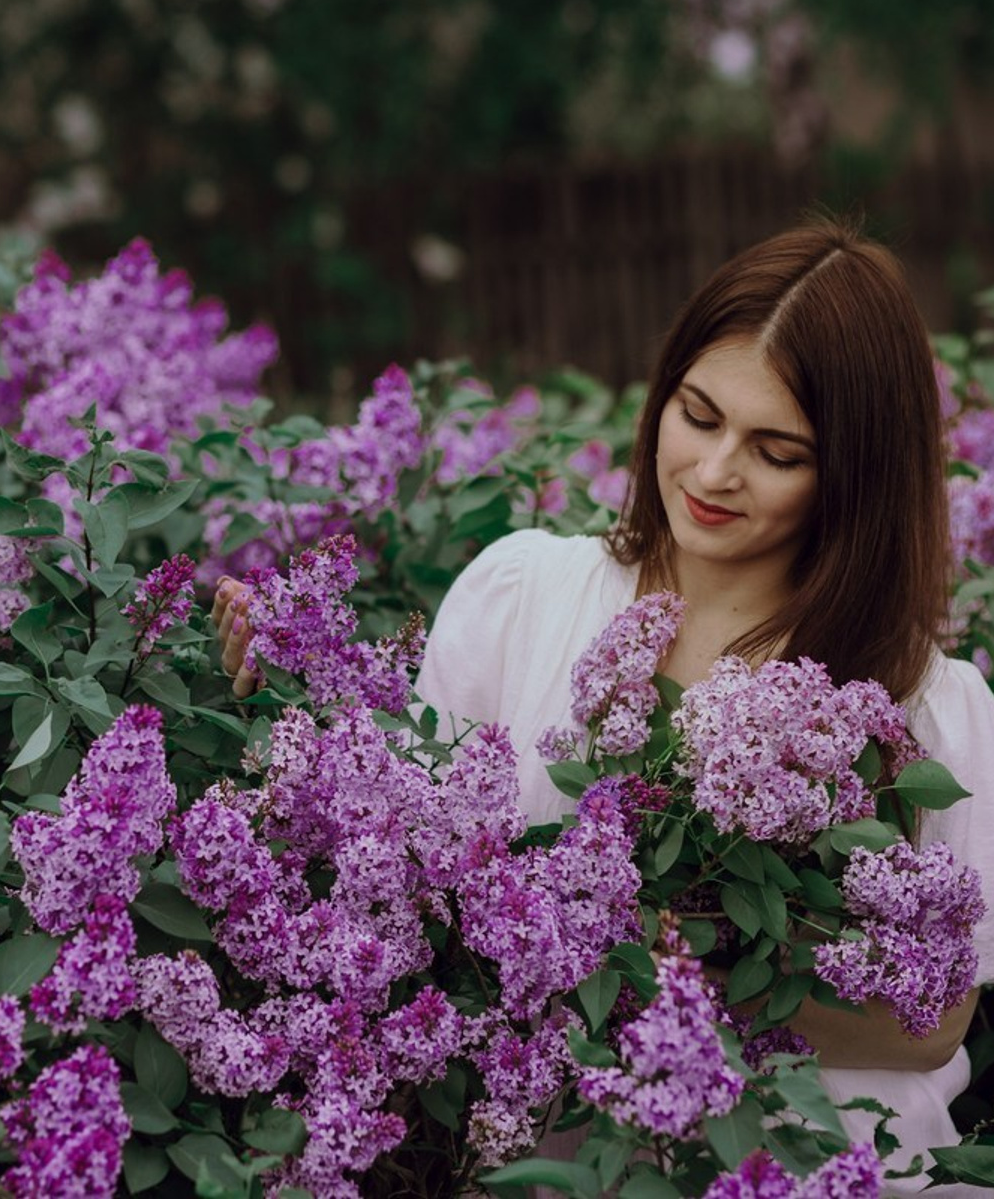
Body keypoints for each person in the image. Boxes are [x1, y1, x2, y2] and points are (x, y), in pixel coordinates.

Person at [213, 220, 994, 1196]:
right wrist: (271, 713)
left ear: (852, 475)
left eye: (774, 450)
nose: (712, 473)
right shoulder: (521, 595)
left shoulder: (916, 702)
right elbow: (400, 868)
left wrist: (657, 972)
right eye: (697, 414)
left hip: (804, 1163)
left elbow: (932, 1020)